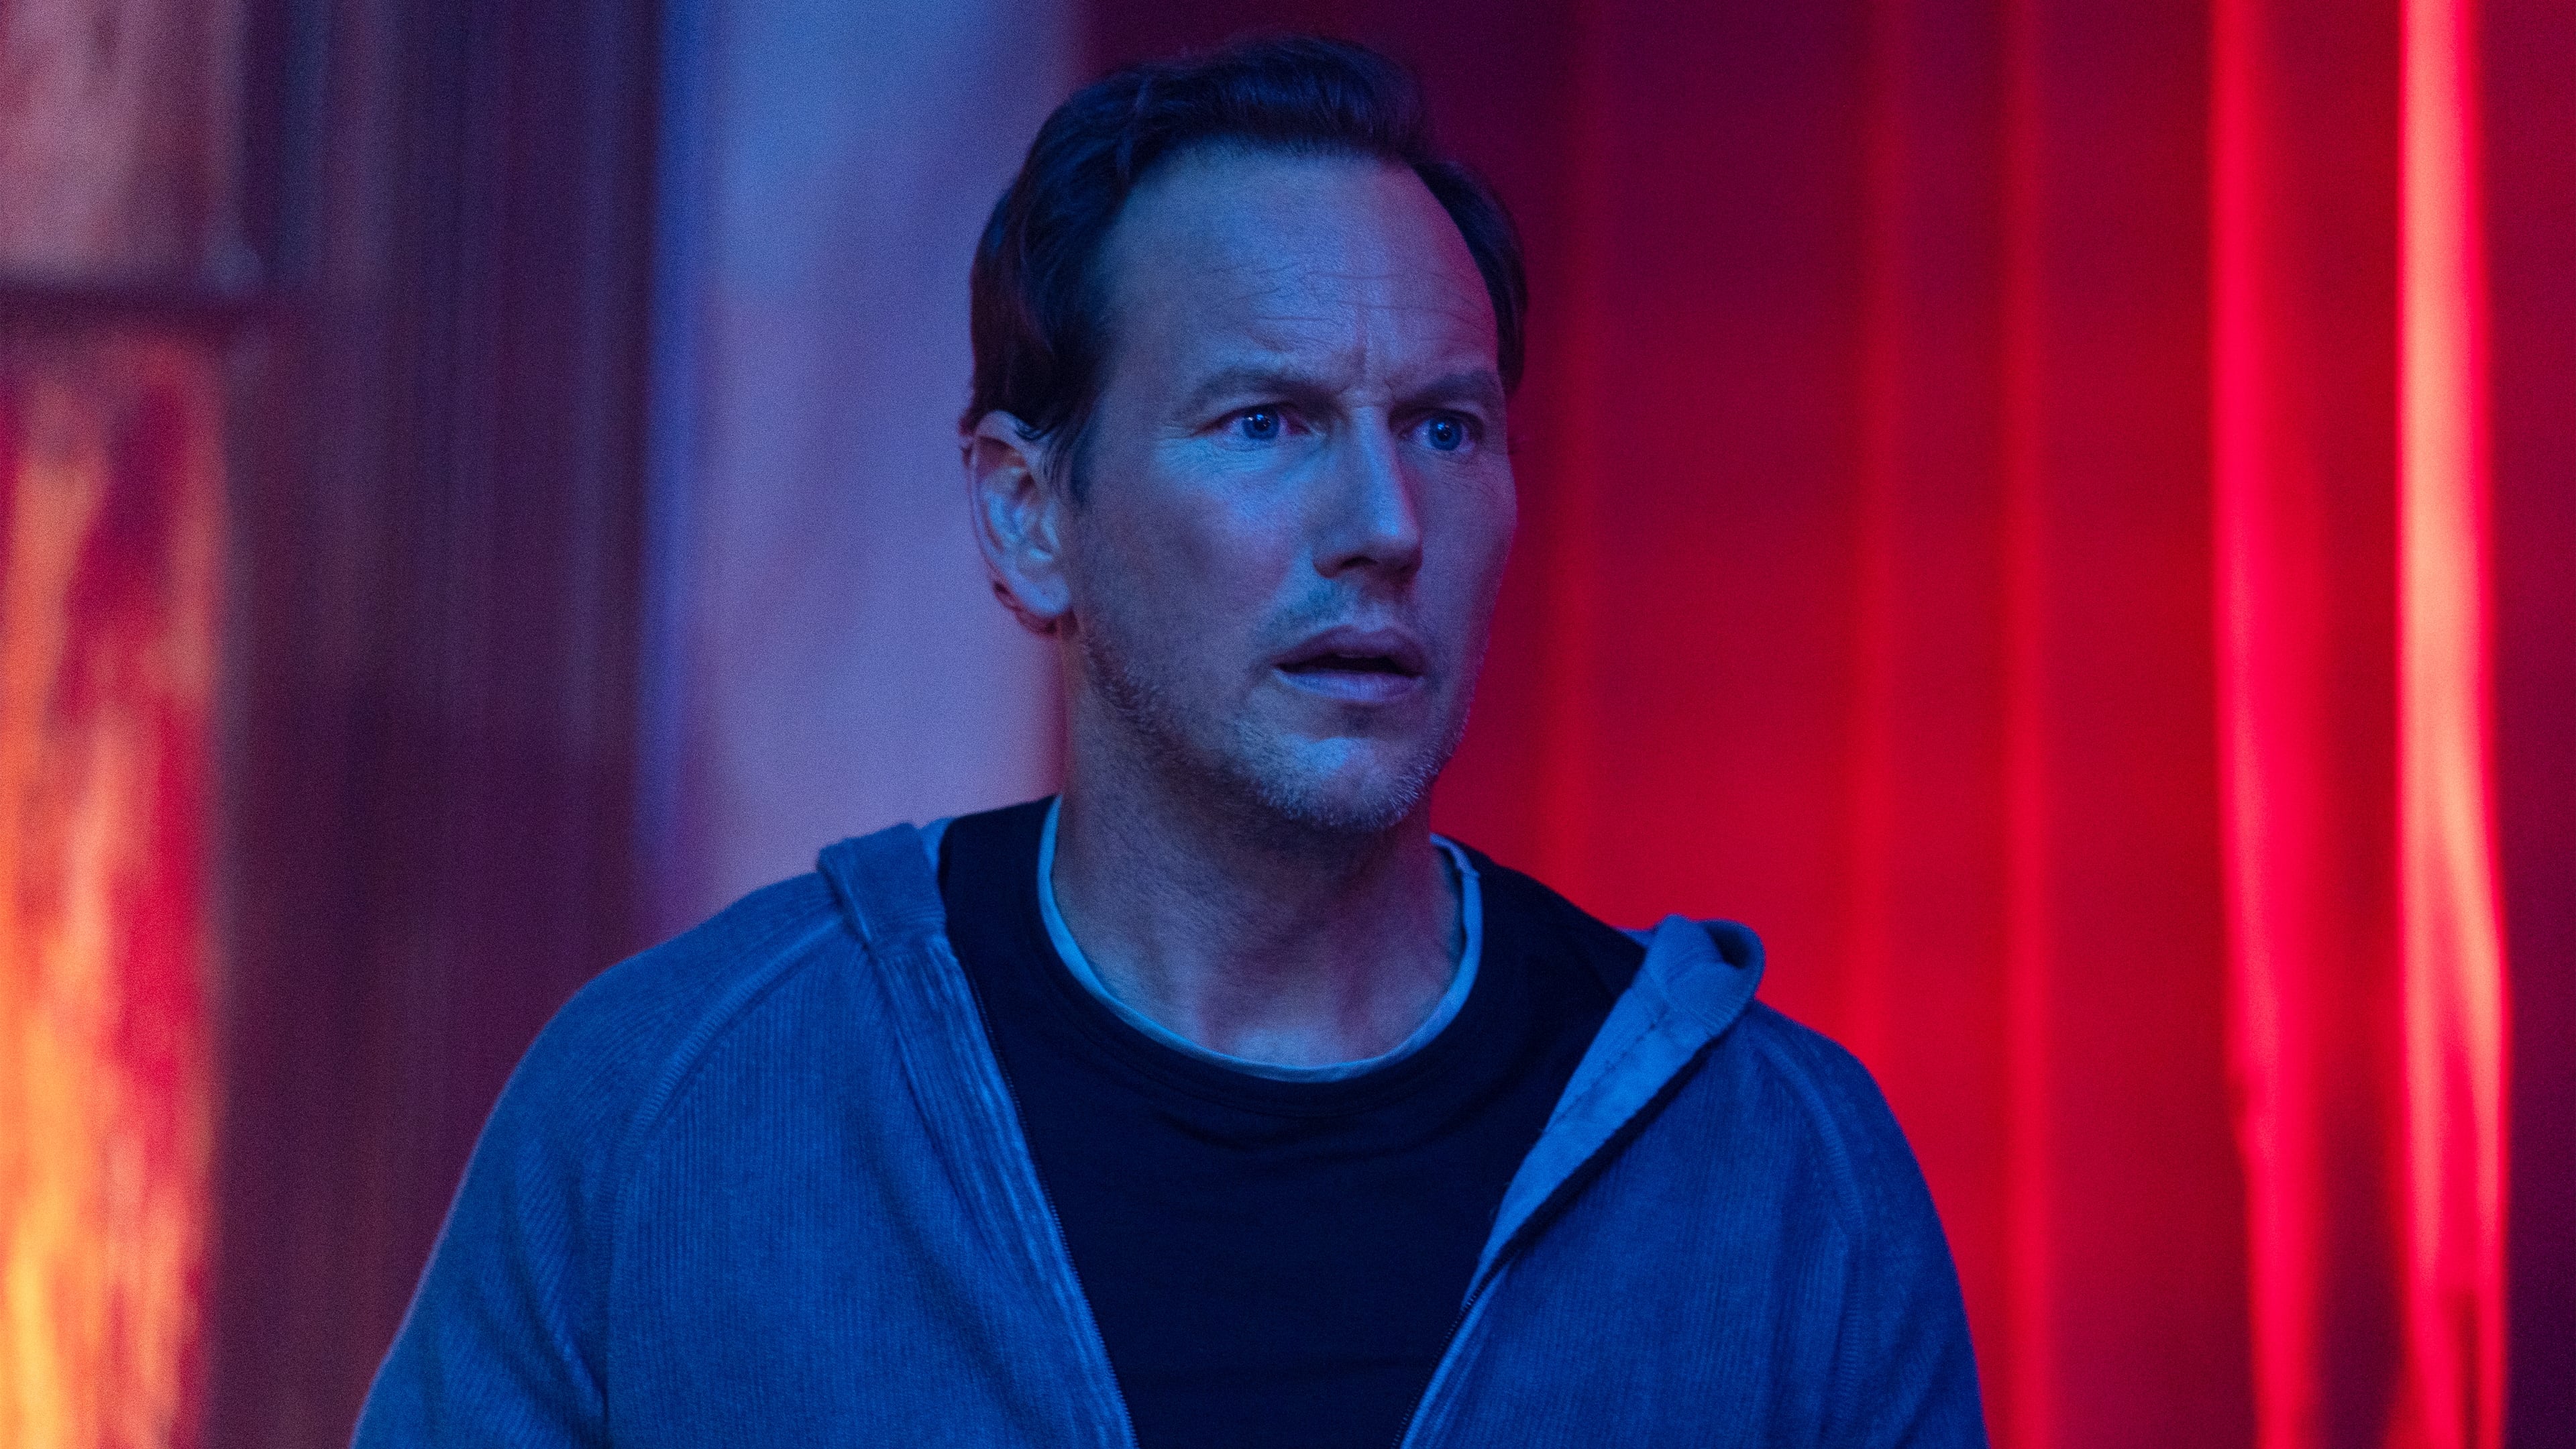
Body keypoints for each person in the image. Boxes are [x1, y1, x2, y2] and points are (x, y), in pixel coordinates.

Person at [354, 35, 1985, 1448]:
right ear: (1028, 515)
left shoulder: (1775, 1174)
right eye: (1267, 423)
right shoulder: (678, 1110)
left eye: (1445, 427)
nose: (1385, 523)